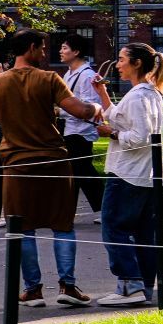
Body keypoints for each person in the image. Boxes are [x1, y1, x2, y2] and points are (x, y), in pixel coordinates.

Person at [0, 30, 104, 306]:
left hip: (16, 164)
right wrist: (97, 109)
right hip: (54, 161)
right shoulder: (49, 79)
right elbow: (78, 110)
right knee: (63, 226)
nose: (45, 53)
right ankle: (68, 286)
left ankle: (32, 289)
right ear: (31, 48)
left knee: (22, 227)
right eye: (42, 48)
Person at [97, 42, 163, 304]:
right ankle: (142, 288)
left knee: (113, 227)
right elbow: (120, 116)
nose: (117, 65)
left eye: (121, 59)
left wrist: (112, 134)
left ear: (136, 63)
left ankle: (130, 285)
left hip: (127, 173)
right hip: (146, 174)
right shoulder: (147, 94)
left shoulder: (140, 96)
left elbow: (141, 136)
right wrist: (103, 94)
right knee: (143, 233)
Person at [58, 36, 106, 216]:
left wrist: (59, 111)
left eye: (64, 48)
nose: (60, 52)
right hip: (69, 129)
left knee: (84, 171)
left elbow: (89, 106)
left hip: (81, 132)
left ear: (76, 52)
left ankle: (103, 209)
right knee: (77, 171)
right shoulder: (69, 74)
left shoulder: (87, 75)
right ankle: (70, 210)